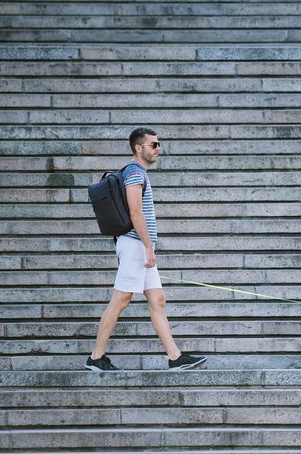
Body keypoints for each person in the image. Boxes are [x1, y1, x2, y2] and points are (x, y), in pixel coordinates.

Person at [85, 127, 207, 371]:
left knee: (157, 299)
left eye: (158, 144)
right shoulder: (133, 172)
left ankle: (175, 357)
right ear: (138, 148)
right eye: (153, 145)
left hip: (140, 246)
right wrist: (148, 246)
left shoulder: (138, 173)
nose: (158, 148)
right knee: (121, 299)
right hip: (135, 245)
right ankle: (95, 357)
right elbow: (135, 212)